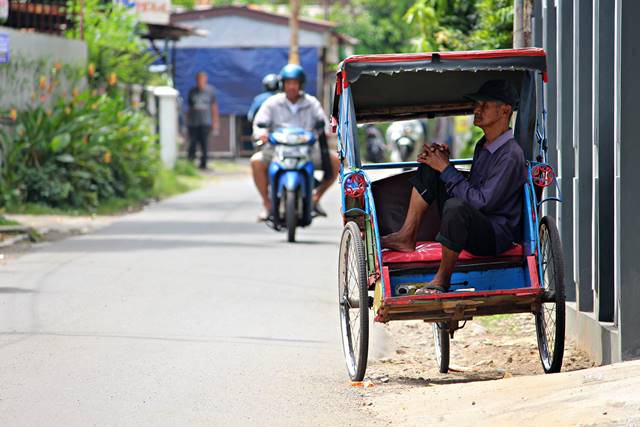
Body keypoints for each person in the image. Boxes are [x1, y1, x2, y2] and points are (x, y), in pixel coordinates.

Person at [381, 79, 526, 295]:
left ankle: (442, 279)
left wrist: (447, 169)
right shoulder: (483, 145)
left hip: (495, 235)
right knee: (431, 165)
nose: (477, 109)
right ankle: (406, 236)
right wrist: (442, 163)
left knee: (456, 207)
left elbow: (481, 202)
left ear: (504, 110)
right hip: (473, 222)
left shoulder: (511, 155)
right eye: (477, 104)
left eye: (485, 105)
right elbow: (472, 190)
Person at [251, 64, 340, 221]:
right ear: (282, 84)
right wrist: (262, 134)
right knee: (256, 161)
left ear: (301, 84)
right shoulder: (272, 103)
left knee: (335, 161)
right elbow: (259, 124)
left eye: (295, 82)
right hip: (277, 149)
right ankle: (267, 204)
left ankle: (316, 198)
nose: (291, 86)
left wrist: (323, 133)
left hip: (307, 150)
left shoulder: (311, 103)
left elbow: (323, 123)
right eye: (288, 82)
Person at [186, 71, 220, 170]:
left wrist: (215, 121)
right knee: (192, 143)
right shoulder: (192, 91)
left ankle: (203, 164)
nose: (200, 82)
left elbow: (214, 107)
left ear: (205, 80)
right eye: (198, 79)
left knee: (204, 144)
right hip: (194, 122)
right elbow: (190, 108)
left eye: (202, 79)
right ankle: (190, 164)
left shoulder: (210, 91)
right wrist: (188, 121)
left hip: (205, 122)